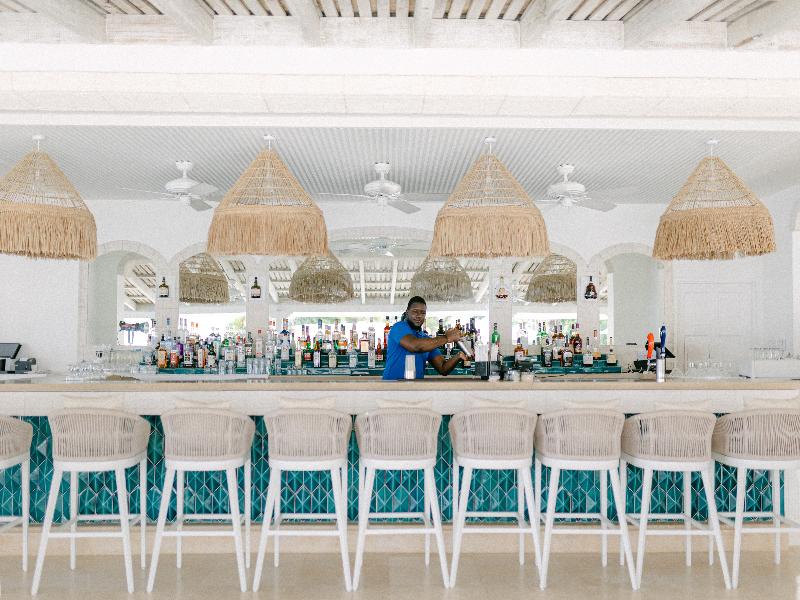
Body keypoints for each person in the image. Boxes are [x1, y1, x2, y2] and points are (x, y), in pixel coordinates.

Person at [382, 296, 466, 380]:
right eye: (415, 311)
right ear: (407, 312)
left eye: (422, 313)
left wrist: (459, 356)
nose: (419, 316)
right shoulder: (399, 327)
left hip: (415, 386)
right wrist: (447, 338)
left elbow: (443, 368)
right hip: (392, 385)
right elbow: (415, 346)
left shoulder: (427, 340)